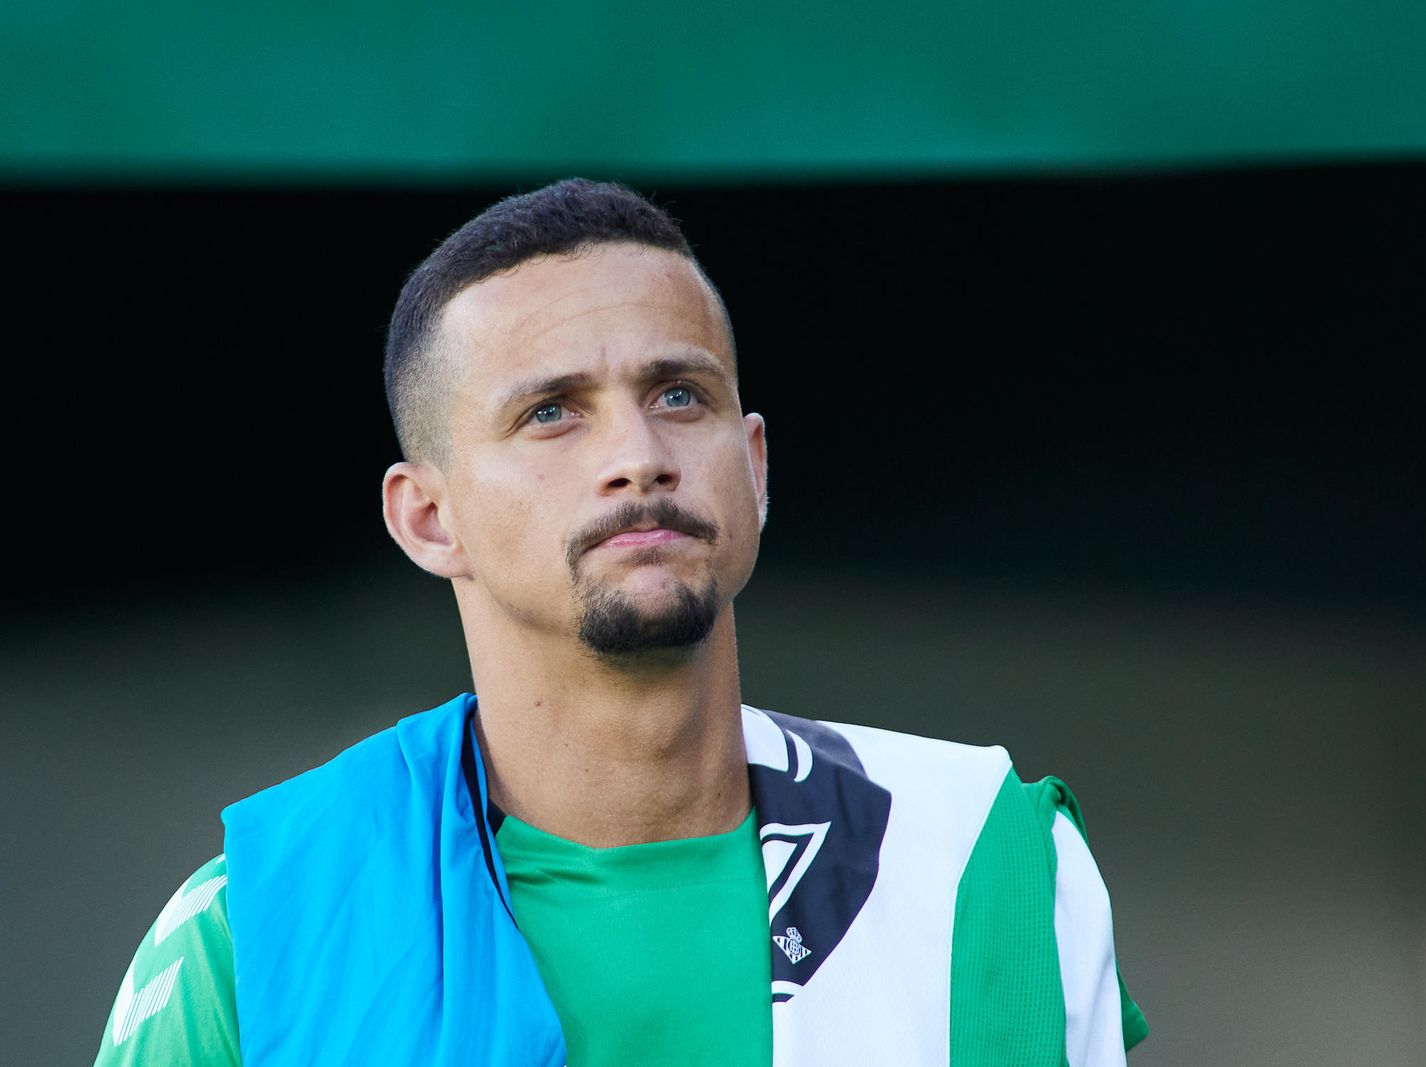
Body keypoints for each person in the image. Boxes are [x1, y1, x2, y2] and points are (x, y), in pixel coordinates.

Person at [94, 179, 1149, 1066]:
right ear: (428, 516)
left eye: (680, 394)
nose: (638, 453)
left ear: (756, 465)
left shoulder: (979, 854)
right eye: (550, 410)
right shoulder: (260, 926)